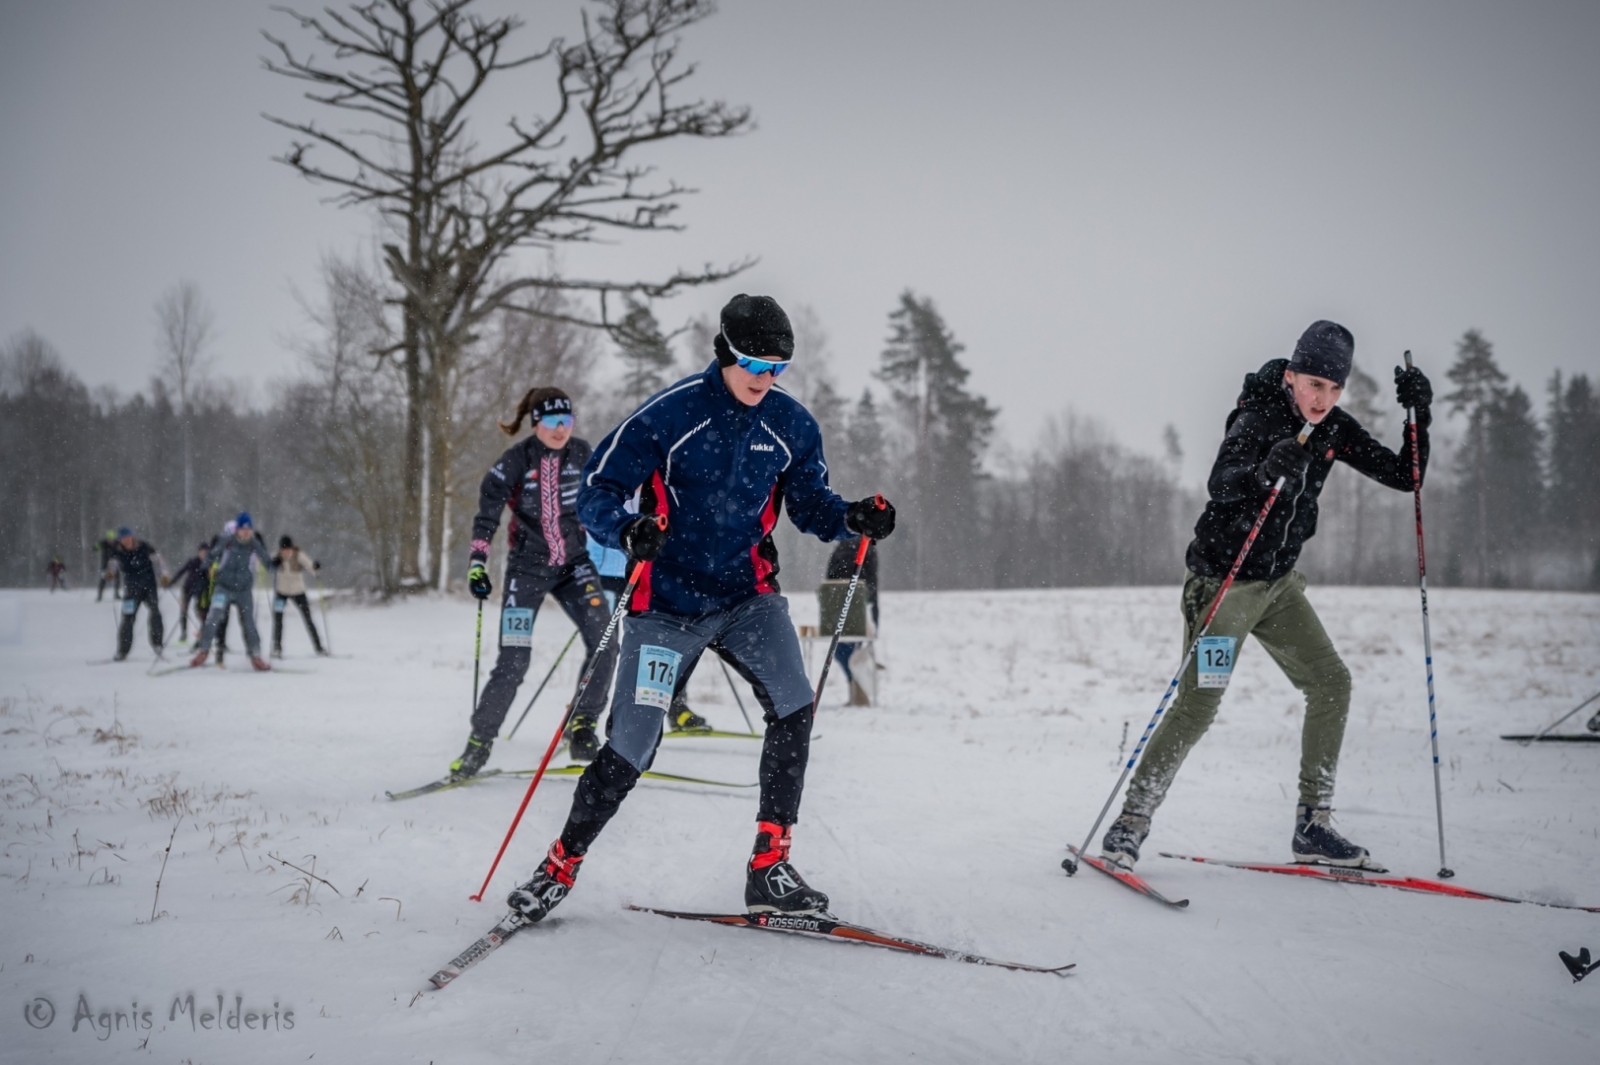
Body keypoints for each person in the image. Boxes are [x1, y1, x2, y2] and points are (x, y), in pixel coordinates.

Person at [502, 293, 897, 925]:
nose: (766, 381)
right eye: (755, 365)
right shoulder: (673, 413)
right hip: (667, 605)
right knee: (632, 743)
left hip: (747, 597)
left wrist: (850, 517)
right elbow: (600, 490)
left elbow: (809, 506)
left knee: (795, 706)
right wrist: (628, 532)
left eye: (778, 370)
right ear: (725, 353)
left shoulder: (791, 425)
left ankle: (769, 866)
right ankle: (558, 866)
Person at [1099, 320, 1432, 872]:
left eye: (1333, 389)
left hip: (1276, 590)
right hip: (1224, 588)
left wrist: (1420, 413)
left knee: (1332, 683)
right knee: (1200, 703)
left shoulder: (1333, 428)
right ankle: (1129, 824)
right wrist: (1264, 469)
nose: (1322, 400)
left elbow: (1407, 474)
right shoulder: (1257, 416)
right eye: (1313, 385)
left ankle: (1313, 824)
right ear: (1292, 376)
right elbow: (1221, 481)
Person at [450, 387, 620, 776]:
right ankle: (479, 743)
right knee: (514, 661)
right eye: (553, 422)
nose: (561, 429)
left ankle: (581, 724)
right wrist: (477, 563)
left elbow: (608, 497)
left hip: (575, 565)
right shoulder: (515, 461)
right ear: (536, 423)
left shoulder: (582, 453)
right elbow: (487, 516)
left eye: (567, 421)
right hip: (526, 570)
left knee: (606, 642)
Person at [189, 512, 274, 671]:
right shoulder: (227, 541)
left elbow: (267, 560)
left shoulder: (254, 543)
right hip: (224, 587)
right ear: (237, 529)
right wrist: (205, 567)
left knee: (249, 623)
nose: (246, 532)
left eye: (249, 529)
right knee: (213, 618)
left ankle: (255, 656)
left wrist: (275, 565)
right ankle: (203, 651)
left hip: (244, 590)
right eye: (243, 529)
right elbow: (212, 555)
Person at [824, 535, 879, 705]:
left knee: (846, 651)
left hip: (854, 606)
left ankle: (858, 692)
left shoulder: (863, 548)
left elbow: (830, 577)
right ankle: (856, 691)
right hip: (845, 605)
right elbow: (872, 582)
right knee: (849, 652)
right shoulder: (858, 547)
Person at [108, 528, 169, 660]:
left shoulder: (145, 547)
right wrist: (110, 573)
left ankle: (157, 644)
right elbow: (112, 565)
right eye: (124, 539)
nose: (127, 541)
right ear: (120, 540)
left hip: (149, 587)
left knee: (155, 613)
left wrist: (164, 576)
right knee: (127, 619)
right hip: (131, 590)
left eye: (128, 537)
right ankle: (122, 651)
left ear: (132, 537)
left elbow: (159, 562)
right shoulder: (117, 552)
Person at [271, 535, 326, 658]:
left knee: (308, 619)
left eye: (288, 549)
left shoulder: (298, 555)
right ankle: (277, 648)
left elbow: (310, 566)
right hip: (281, 593)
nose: (286, 552)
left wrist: (316, 567)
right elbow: (264, 566)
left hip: (298, 592)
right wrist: (273, 564)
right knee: (278, 620)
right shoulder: (276, 556)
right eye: (284, 549)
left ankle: (319, 647)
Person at [169, 542, 212, 643]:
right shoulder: (193, 561)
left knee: (201, 612)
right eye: (202, 552)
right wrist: (172, 582)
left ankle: (202, 633)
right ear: (199, 552)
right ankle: (183, 634)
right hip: (187, 589)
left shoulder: (209, 564)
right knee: (184, 611)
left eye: (206, 552)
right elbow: (181, 571)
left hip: (201, 592)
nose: (204, 554)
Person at [94, 529, 118, 601]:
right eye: (109, 539)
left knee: (117, 578)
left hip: (115, 564)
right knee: (103, 579)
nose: (111, 541)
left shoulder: (117, 543)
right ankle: (100, 595)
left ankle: (116, 594)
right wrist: (97, 547)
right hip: (105, 564)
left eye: (112, 539)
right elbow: (95, 548)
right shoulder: (103, 543)